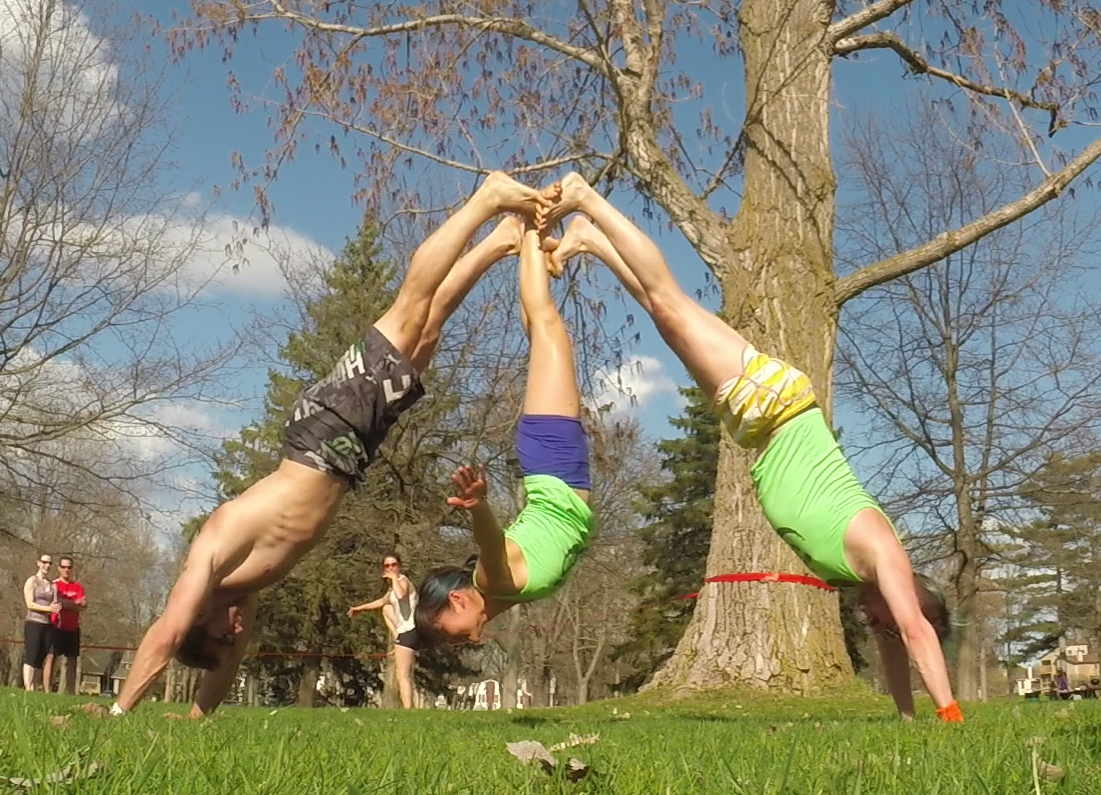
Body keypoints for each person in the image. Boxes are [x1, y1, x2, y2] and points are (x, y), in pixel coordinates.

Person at [111, 173, 553, 718]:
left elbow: (165, 633)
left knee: (410, 308)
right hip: (345, 451)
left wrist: (119, 713)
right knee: (429, 330)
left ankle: (485, 200)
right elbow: (225, 662)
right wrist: (198, 717)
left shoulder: (204, 570)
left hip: (323, 433)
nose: (240, 633)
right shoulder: (237, 596)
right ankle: (500, 241)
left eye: (225, 635)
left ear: (200, 623)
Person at [537, 173, 963, 723]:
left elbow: (894, 645)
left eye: (879, 625)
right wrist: (949, 712)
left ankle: (589, 238)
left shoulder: (862, 577)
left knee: (668, 320)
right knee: (671, 300)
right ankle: (585, 197)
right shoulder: (888, 557)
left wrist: (910, 719)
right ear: (918, 601)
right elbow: (910, 632)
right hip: (775, 406)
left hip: (761, 421)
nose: (876, 624)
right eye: (887, 620)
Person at [415, 215, 595, 644]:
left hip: (555, 466)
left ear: (458, 601)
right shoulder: (497, 597)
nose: (457, 641)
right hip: (559, 470)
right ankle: (533, 253)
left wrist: (478, 506)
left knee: (550, 329)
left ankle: (531, 229)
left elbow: (491, 543)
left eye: (451, 634)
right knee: (542, 335)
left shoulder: (490, 580)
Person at [347, 553, 420, 709]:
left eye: (393, 565)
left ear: (399, 566)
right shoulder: (392, 589)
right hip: (402, 631)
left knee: (402, 675)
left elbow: (401, 595)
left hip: (411, 630)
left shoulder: (403, 581)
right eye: (387, 566)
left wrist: (394, 578)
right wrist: (359, 608)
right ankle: (396, 639)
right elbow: (382, 601)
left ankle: (409, 711)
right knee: (386, 609)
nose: (390, 568)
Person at [44, 555, 87, 695]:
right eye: (64, 567)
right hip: (56, 626)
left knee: (72, 661)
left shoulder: (78, 586)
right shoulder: (54, 585)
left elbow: (84, 604)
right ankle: (46, 691)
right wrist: (75, 603)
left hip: (73, 628)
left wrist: (66, 604)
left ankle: (71, 692)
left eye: (69, 567)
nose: (66, 569)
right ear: (59, 568)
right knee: (51, 657)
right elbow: (56, 603)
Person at [22, 553, 60, 692]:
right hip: (33, 622)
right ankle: (28, 687)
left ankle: (35, 686)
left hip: (47, 624)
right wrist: (47, 608)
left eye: (50, 563)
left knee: (41, 656)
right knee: (31, 655)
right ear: (38, 563)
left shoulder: (52, 585)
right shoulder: (32, 581)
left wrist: (55, 608)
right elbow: (29, 604)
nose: (47, 566)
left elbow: (55, 603)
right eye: (44, 562)